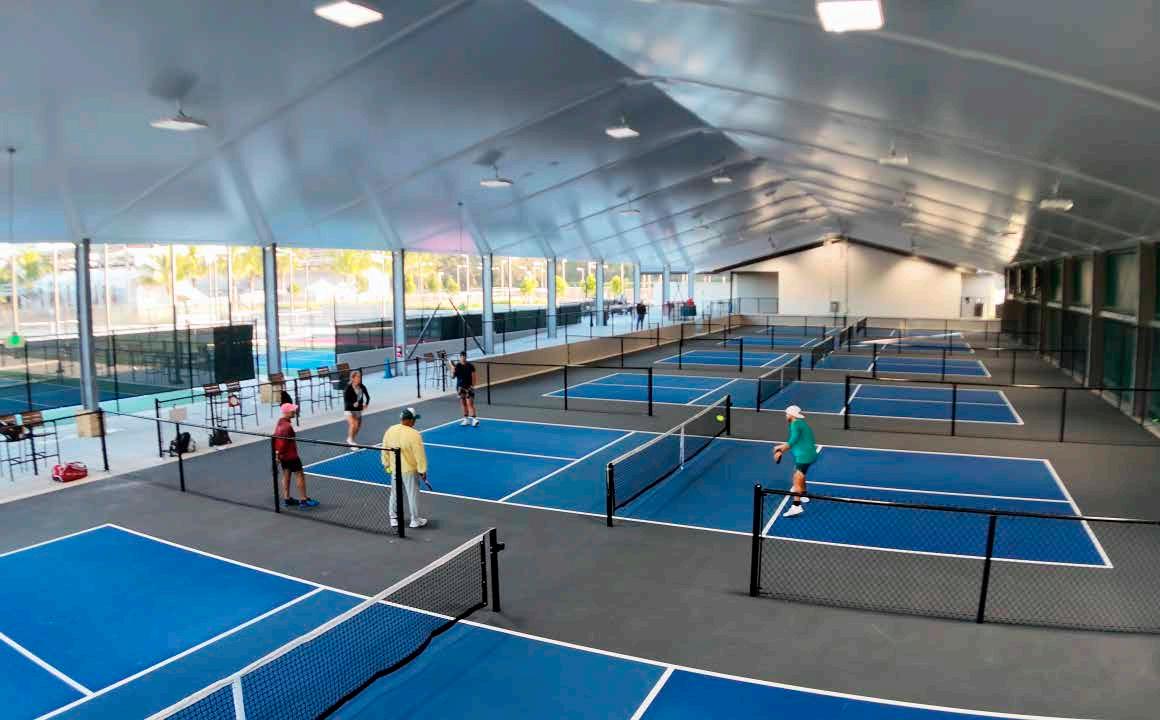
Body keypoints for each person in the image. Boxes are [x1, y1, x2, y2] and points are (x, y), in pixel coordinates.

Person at [382, 407, 428, 528]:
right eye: (414, 419)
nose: (415, 422)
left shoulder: (391, 430)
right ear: (409, 420)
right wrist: (422, 470)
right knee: (413, 495)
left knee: (395, 493)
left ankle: (393, 518)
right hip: (409, 471)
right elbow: (419, 455)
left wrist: (386, 464)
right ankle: (415, 520)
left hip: (395, 469)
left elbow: (385, 448)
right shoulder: (414, 434)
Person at [773, 405, 817, 518]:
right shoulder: (800, 423)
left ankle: (796, 506)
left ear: (792, 415)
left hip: (804, 456)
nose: (786, 416)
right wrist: (780, 448)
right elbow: (794, 440)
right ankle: (804, 494)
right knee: (800, 475)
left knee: (796, 479)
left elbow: (792, 441)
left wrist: (780, 451)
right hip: (809, 453)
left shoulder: (795, 424)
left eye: (787, 414)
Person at [274, 402, 317, 508]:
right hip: (291, 456)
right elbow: (283, 443)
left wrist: (278, 455)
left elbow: (276, 440)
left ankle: (287, 498)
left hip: (284, 456)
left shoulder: (280, 423)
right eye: (292, 410)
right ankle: (303, 500)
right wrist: (279, 454)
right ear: (287, 412)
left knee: (286, 475)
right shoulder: (287, 426)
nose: (294, 411)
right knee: (299, 475)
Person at [448, 351, 479, 426]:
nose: (463, 358)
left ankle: (474, 419)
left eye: (464, 356)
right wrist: (452, 369)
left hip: (469, 387)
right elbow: (452, 377)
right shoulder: (457, 366)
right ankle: (466, 419)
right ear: (460, 357)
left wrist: (472, 386)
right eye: (462, 356)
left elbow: (474, 377)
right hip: (460, 388)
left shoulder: (470, 366)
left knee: (470, 403)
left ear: (466, 357)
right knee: (463, 403)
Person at [343, 370, 371, 445]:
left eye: (360, 377)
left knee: (358, 427)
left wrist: (366, 404)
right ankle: (350, 441)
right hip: (349, 409)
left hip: (358, 410)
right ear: (353, 378)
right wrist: (353, 404)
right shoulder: (348, 388)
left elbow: (368, 397)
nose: (359, 378)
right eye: (358, 377)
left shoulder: (362, 386)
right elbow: (346, 401)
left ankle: (351, 439)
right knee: (353, 424)